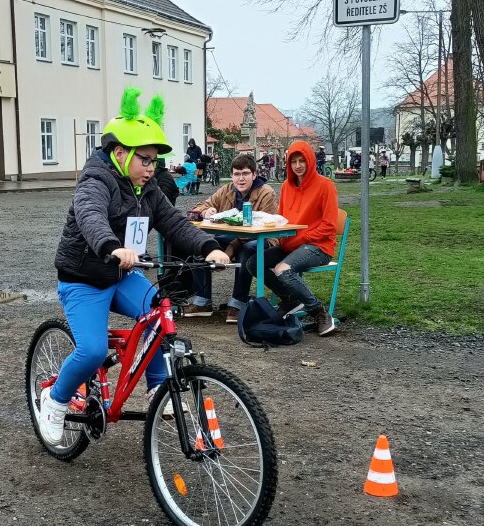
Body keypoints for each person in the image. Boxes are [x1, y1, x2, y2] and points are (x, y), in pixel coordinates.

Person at [37, 88, 230, 446]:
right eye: (145, 159)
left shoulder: (149, 189)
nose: (151, 167)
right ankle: (55, 400)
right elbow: (90, 216)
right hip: (83, 280)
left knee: (158, 312)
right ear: (120, 153)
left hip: (122, 275)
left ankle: (158, 388)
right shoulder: (96, 181)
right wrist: (112, 246)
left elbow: (173, 222)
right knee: (93, 351)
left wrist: (209, 247)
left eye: (155, 160)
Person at [240, 140, 338, 336]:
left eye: (302, 160)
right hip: (291, 245)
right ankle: (289, 298)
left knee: (282, 269)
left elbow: (329, 226)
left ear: (310, 160)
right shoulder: (286, 186)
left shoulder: (325, 186)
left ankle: (318, 311)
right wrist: (273, 229)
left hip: (318, 246)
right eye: (293, 161)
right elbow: (283, 219)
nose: (298, 165)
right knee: (253, 263)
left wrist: (301, 238)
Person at [181, 153, 279, 322]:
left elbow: (263, 226)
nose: (240, 178)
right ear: (232, 175)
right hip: (232, 238)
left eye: (245, 173)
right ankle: (202, 302)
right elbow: (199, 206)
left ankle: (238, 303)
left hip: (261, 239)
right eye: (236, 174)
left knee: (246, 250)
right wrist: (206, 211)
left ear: (254, 175)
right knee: (201, 245)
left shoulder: (266, 193)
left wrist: (232, 247)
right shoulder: (226, 190)